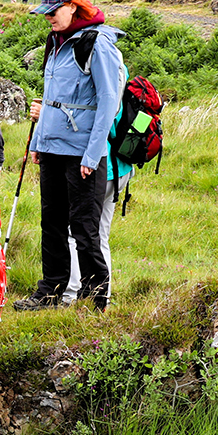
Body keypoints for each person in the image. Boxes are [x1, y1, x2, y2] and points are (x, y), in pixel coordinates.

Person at [12, 0, 122, 312]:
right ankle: (50, 292)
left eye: (54, 11)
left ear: (73, 6)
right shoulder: (56, 41)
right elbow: (51, 98)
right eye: (45, 13)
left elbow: (108, 101)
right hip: (52, 150)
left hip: (83, 154)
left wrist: (92, 154)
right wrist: (38, 142)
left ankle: (94, 300)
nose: (49, 18)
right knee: (52, 223)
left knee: (85, 230)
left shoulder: (97, 43)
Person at [62, 113, 134, 305]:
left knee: (76, 232)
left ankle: (71, 293)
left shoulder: (105, 92)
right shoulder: (125, 88)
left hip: (102, 171)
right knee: (100, 235)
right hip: (122, 169)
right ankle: (104, 294)